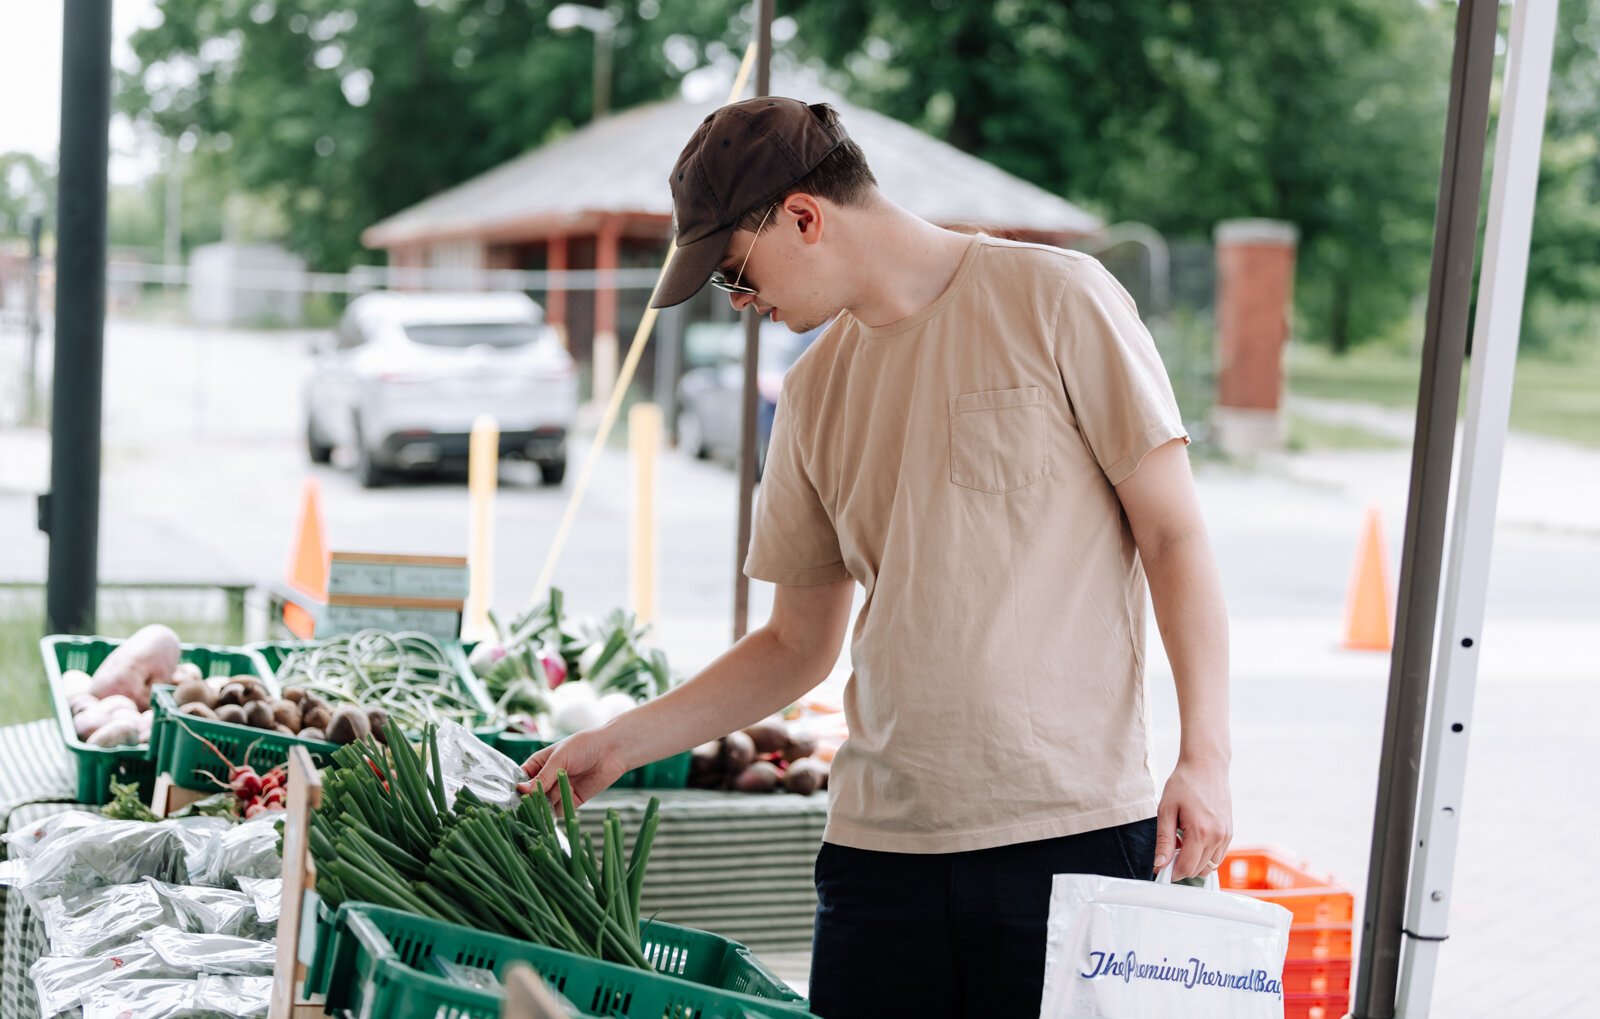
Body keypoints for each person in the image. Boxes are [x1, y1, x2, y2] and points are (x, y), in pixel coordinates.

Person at [521, 96, 1233, 1018]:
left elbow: (1175, 537)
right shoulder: (813, 392)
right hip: (878, 861)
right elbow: (794, 644)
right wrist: (620, 742)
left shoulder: (1060, 299)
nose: (741, 304)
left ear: (804, 216)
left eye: (735, 272)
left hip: (1071, 837)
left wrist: (1206, 755)